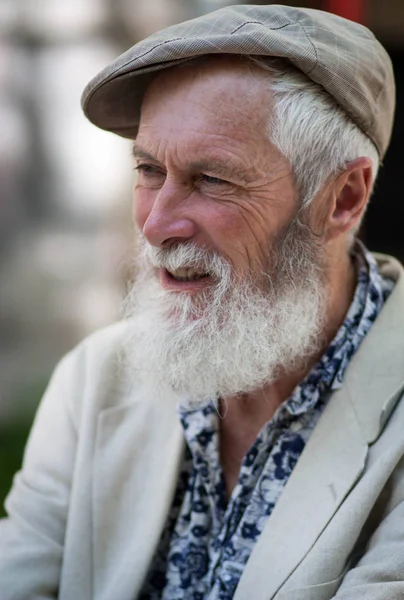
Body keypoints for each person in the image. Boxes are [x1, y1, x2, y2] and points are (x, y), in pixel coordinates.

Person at [1, 4, 403, 600]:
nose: (157, 224)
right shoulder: (93, 380)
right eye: (148, 169)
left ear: (343, 197)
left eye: (213, 179)